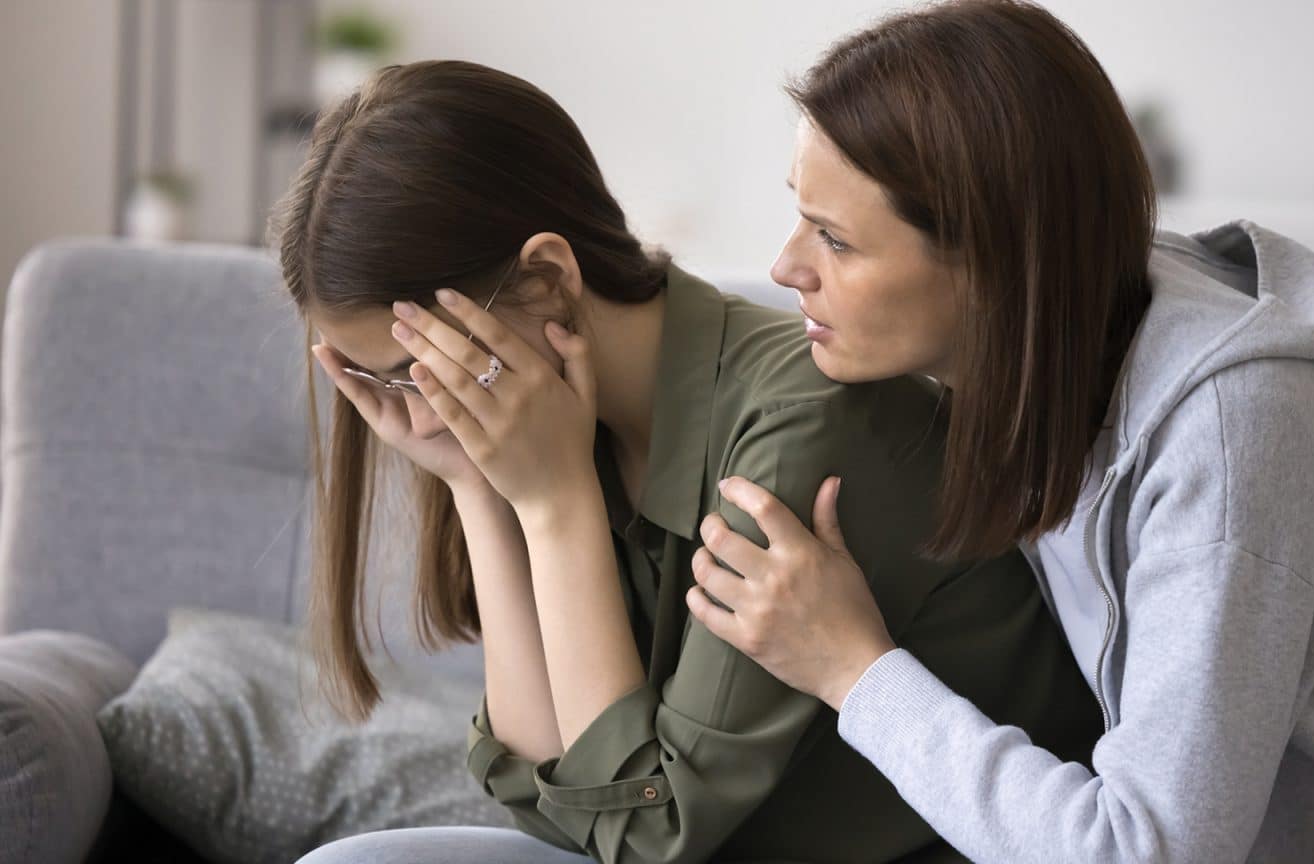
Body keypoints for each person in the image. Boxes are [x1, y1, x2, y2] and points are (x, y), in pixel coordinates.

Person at [685, 2, 1314, 862]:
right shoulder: (1052, 348)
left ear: (995, 261)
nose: (786, 266)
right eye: (802, 215)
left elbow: (1142, 853)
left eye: (834, 239)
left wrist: (851, 668)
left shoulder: (1234, 438)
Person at [276, 60, 1100, 864]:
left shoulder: (803, 425)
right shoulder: (562, 425)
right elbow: (553, 808)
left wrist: (555, 505)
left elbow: (643, 837)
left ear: (548, 278)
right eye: (382, 384)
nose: (418, 411)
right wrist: (471, 481)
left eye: (420, 370)